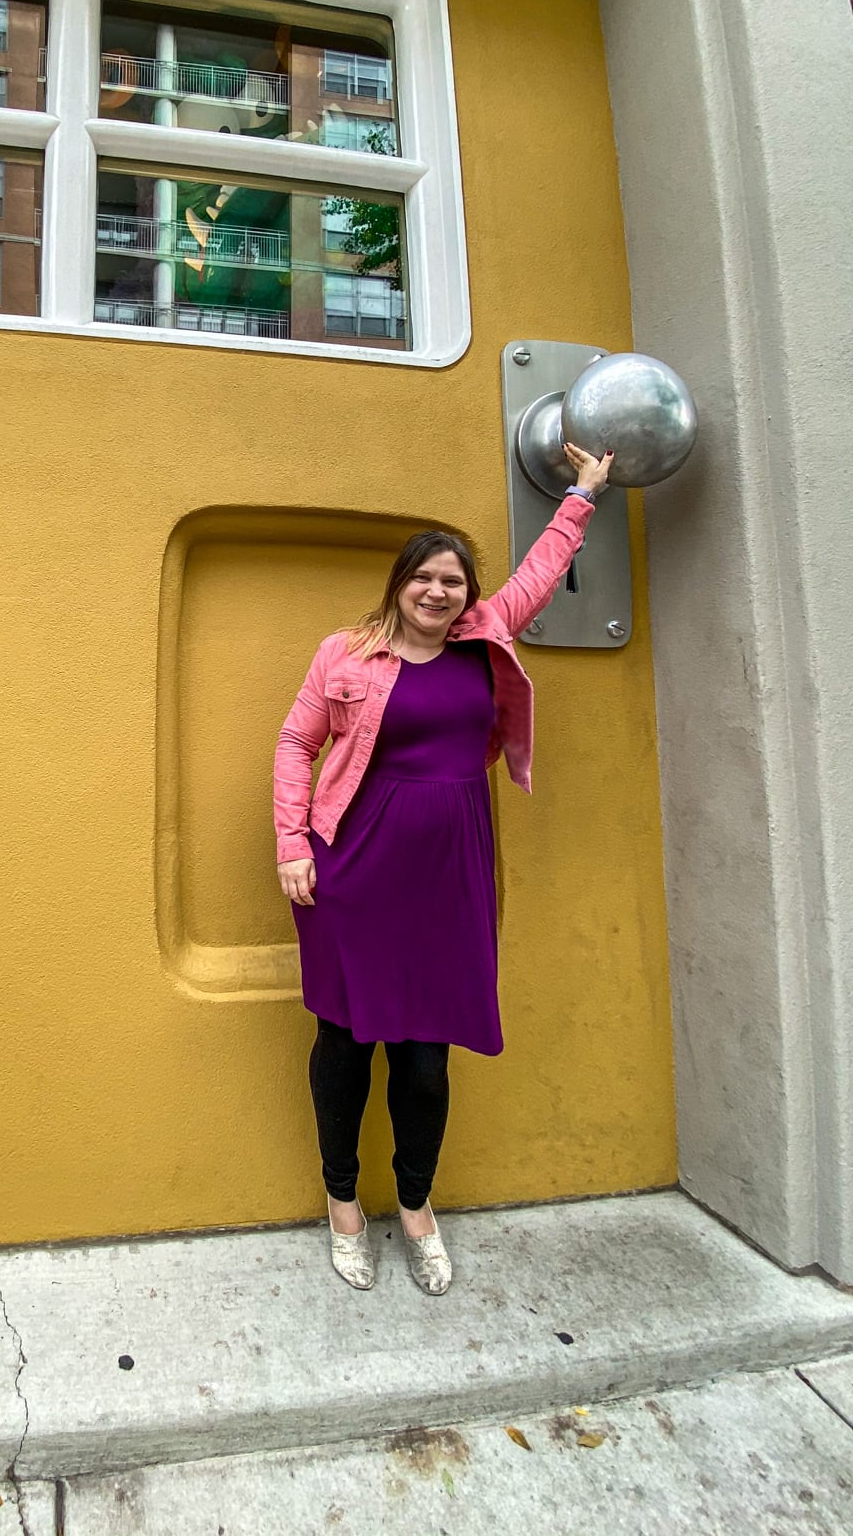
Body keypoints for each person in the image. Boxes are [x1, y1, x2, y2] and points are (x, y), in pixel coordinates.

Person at [272, 444, 613, 1295]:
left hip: (450, 876)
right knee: (346, 1046)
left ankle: (417, 1207)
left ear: (466, 593)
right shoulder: (345, 654)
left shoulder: (483, 640)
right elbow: (295, 743)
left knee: (426, 1059)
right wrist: (290, 845)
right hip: (353, 869)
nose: (438, 591)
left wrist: (583, 495)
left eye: (453, 580)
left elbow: (539, 572)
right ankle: (344, 1202)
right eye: (424, 577)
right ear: (399, 583)